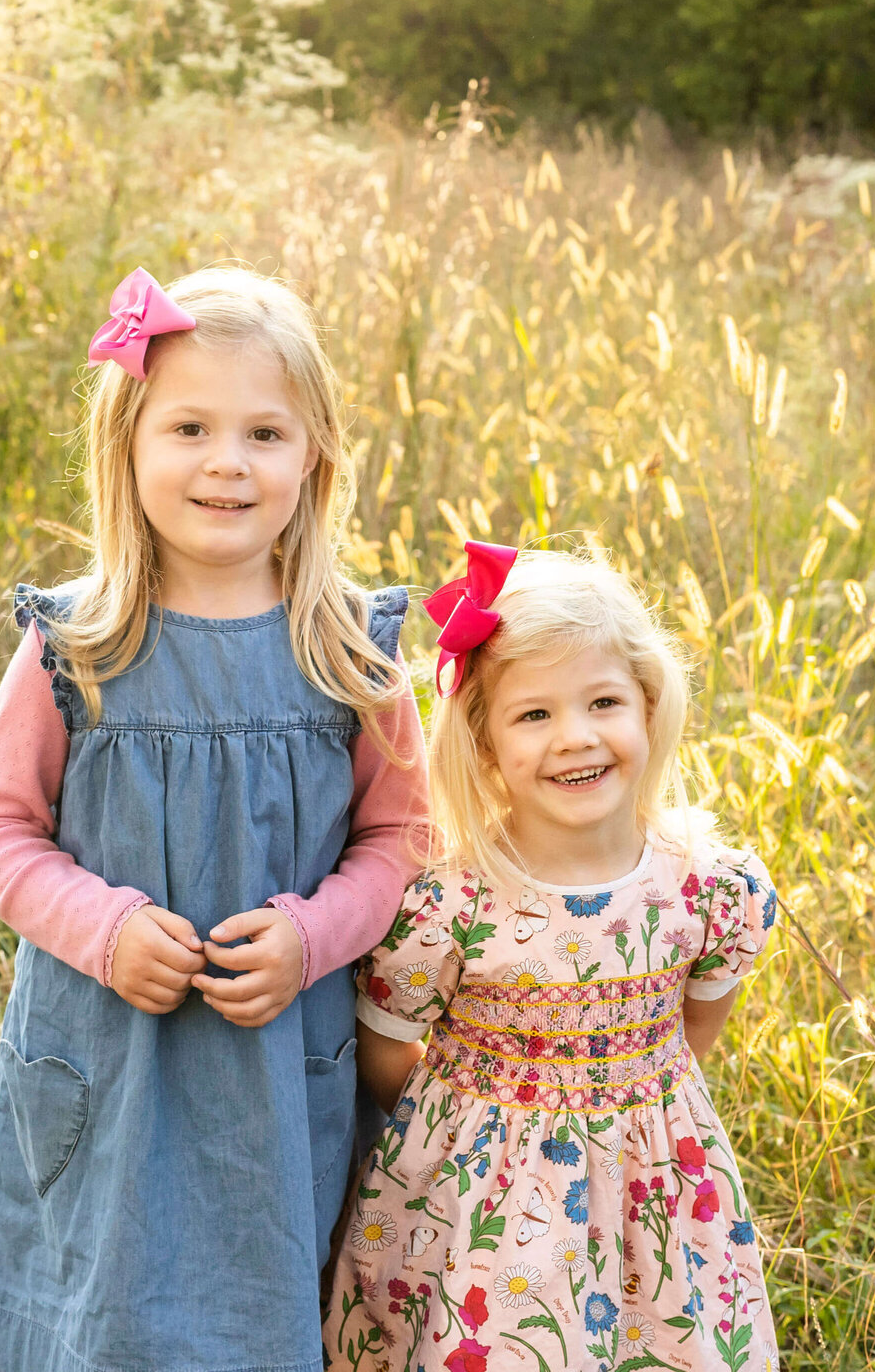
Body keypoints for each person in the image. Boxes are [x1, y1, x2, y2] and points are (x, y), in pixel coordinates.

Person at [0, 266, 429, 1372]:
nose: (227, 461)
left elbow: (404, 839)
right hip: (108, 1059)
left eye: (266, 431)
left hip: (274, 1071)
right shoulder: (78, 644)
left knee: (264, 1320)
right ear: (127, 442)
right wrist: (101, 927)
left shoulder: (350, 653)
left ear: (315, 456)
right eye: (190, 428)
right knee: (100, 1316)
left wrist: (314, 935)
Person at [325, 543, 780, 1372]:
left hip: (660, 1193)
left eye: (602, 701)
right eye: (534, 715)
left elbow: (694, 1032)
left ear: (648, 705)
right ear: (487, 743)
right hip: (487, 1205)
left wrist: (621, 1102)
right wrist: (483, 1114)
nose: (575, 738)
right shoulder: (450, 905)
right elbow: (389, 1058)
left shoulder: (709, 888)